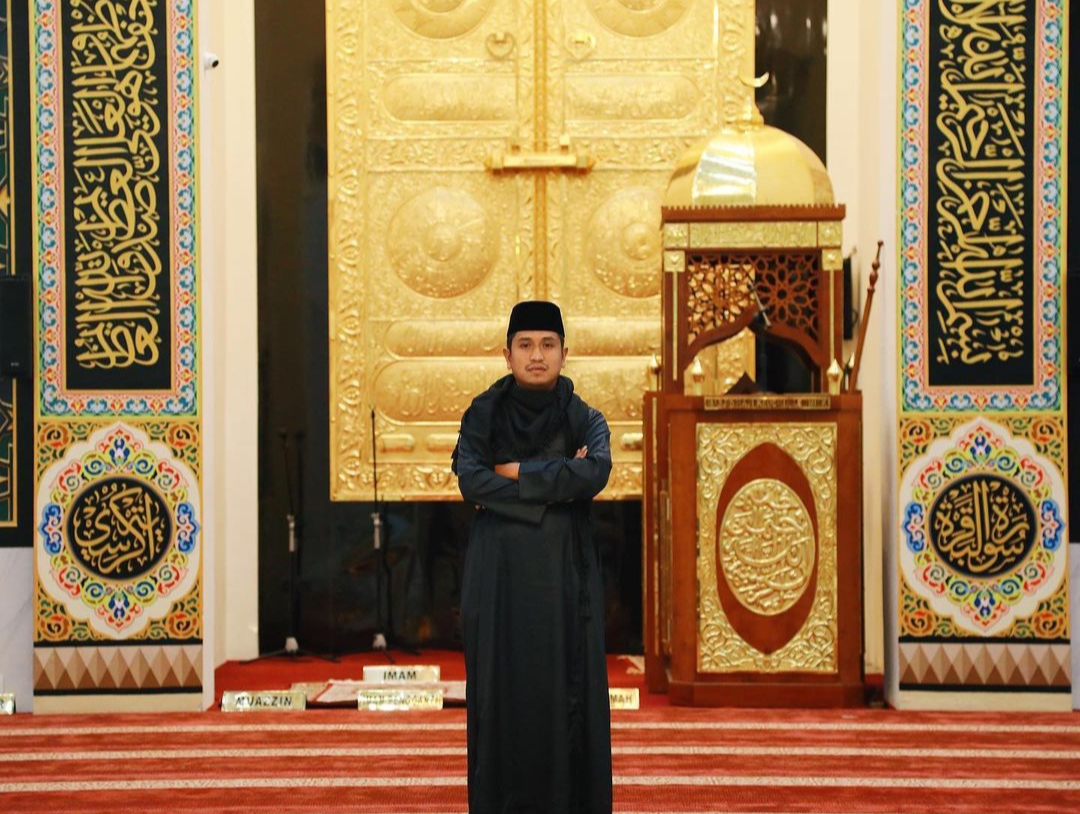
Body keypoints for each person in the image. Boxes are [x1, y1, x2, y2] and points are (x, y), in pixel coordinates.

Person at [452, 300, 613, 814]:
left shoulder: (584, 417)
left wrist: (514, 471)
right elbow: (470, 481)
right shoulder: (483, 413)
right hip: (498, 580)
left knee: (566, 695)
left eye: (547, 344)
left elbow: (595, 472)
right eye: (525, 345)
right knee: (501, 694)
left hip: (565, 580)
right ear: (507, 354)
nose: (536, 355)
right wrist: (557, 479)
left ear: (565, 353)